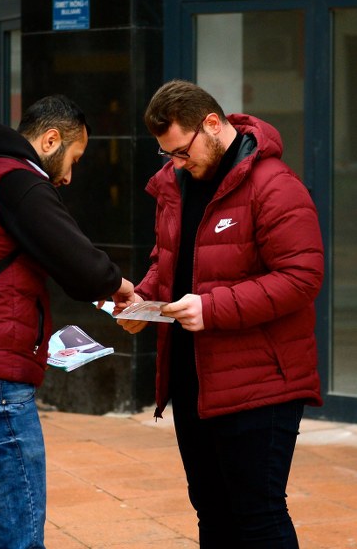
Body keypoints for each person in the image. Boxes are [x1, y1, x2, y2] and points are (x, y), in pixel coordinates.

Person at [116, 79, 324, 548]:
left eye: (182, 151)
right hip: (194, 380)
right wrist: (142, 303)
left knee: (259, 516)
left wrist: (211, 308)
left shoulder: (275, 186)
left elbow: (302, 277)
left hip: (262, 384)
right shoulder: (176, 184)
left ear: (212, 124)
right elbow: (167, 259)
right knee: (210, 510)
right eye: (167, 154)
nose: (176, 163)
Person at [0, 95, 134, 549]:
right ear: (50, 139)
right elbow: (79, 263)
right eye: (73, 158)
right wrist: (120, 288)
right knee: (18, 540)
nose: (69, 176)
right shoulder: (17, 179)